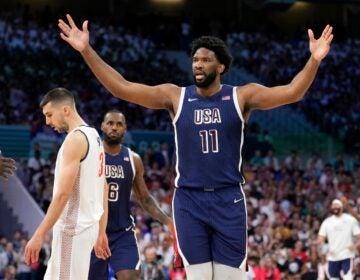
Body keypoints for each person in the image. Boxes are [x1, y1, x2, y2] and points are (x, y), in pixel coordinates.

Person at [58, 14, 334, 279]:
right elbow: (122, 87)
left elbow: (292, 91)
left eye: (205, 60)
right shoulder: (175, 96)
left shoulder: (241, 95)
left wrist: (314, 59)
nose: (198, 64)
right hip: (189, 201)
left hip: (229, 199)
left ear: (221, 66)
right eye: (195, 60)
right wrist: (86, 50)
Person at [24, 88, 111, 280]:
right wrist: (101, 231)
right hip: (88, 228)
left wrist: (39, 234)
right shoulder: (95, 136)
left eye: (49, 115)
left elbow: (63, 194)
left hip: (73, 230)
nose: (47, 122)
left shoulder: (75, 140)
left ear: (65, 110)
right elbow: (103, 187)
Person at [88, 110, 172, 280]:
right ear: (102, 126)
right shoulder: (90, 155)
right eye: (110, 123)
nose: (114, 128)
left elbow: (145, 199)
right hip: (92, 232)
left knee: (131, 276)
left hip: (122, 232)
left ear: (125, 129)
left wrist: (168, 222)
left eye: (119, 124)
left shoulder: (133, 159)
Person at [317, 199, 360, 280]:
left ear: (342, 207)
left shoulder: (350, 220)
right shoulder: (326, 222)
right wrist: (322, 249)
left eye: (337, 205)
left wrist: (355, 245)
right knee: (333, 278)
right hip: (333, 256)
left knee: (348, 278)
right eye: (333, 205)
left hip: (347, 255)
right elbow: (320, 239)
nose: (335, 207)